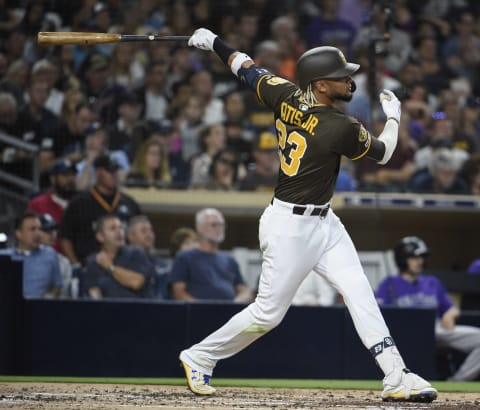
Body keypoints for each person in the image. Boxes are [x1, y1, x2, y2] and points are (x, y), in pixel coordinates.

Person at [178, 28, 437, 402]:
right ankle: (200, 356)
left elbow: (245, 68)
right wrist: (393, 117)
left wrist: (215, 42)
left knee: (359, 292)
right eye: (341, 77)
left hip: (324, 222)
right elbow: (383, 153)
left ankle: (397, 375)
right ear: (319, 85)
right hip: (291, 228)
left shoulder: (283, 93)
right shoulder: (339, 126)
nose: (350, 81)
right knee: (268, 314)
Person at [376, 237, 480, 382]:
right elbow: (379, 312)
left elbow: (452, 308)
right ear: (402, 259)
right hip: (406, 333)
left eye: (421, 257)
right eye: (414, 257)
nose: (420, 261)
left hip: (436, 329)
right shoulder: (389, 284)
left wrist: (450, 314)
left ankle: (457, 381)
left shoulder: (432, 281)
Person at [59, 154, 141, 268]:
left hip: (125, 268)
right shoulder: (79, 203)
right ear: (97, 173)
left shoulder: (129, 203)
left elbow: (139, 236)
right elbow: (65, 238)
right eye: (109, 171)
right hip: (88, 267)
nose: (113, 175)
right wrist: (76, 266)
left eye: (115, 170)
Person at [169, 208, 252, 303]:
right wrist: (203, 309)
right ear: (199, 228)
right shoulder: (184, 258)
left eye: (222, 225)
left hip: (229, 314)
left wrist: (235, 304)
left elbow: (244, 289)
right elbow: (178, 293)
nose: (219, 229)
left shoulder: (230, 261)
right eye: (214, 225)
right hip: (197, 314)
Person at [85, 214, 155, 299]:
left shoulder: (136, 253)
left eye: (120, 227)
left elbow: (136, 283)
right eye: (113, 228)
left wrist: (110, 267)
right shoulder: (94, 261)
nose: (119, 231)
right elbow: (94, 292)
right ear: (100, 237)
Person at [0, 211, 62, 298]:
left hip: (39, 308)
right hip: (9, 307)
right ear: (19, 233)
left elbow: (58, 285)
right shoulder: (4, 257)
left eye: (39, 229)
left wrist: (51, 296)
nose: (38, 233)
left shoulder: (50, 254)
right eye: (32, 229)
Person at [127, 215, 169, 299]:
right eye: (144, 231)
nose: (149, 234)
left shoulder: (162, 264)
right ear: (131, 236)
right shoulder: (123, 262)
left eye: (151, 230)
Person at [38, 213, 75, 298]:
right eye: (46, 230)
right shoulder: (26, 258)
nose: (52, 234)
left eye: (54, 230)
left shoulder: (63, 261)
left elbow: (64, 294)